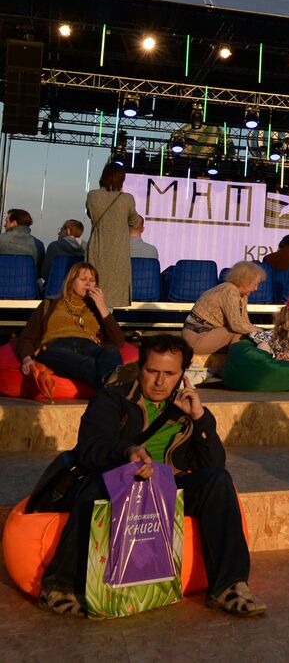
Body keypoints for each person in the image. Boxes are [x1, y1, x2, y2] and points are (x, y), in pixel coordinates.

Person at [37, 333, 265, 617]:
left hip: (165, 489)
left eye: (169, 373)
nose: (160, 381)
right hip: (118, 484)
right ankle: (59, 586)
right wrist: (127, 452)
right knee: (99, 483)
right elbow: (90, 448)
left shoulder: (187, 410)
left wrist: (199, 418)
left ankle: (228, 587)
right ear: (140, 368)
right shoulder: (113, 399)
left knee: (218, 480)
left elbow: (213, 463)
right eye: (152, 371)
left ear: (182, 375)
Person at [15, 261, 125, 401]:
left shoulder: (97, 308)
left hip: (88, 346)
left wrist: (103, 307)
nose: (88, 284)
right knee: (90, 364)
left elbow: (118, 342)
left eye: (92, 280)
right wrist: (27, 359)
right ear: (70, 281)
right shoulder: (50, 304)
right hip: (54, 347)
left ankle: (111, 394)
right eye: (83, 279)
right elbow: (26, 338)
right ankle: (118, 391)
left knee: (111, 351)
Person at [85, 164, 141, 308]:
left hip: (97, 249)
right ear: (122, 179)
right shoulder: (127, 199)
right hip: (118, 252)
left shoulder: (92, 196)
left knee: (94, 289)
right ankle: (106, 324)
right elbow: (135, 222)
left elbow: (90, 214)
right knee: (111, 296)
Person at [181, 261, 267, 356]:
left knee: (245, 335)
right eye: (255, 284)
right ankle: (234, 366)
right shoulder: (229, 290)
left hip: (209, 334)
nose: (256, 289)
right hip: (195, 338)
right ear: (245, 280)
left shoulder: (242, 295)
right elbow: (237, 325)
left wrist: (259, 332)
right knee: (238, 333)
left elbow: (244, 322)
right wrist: (262, 333)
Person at [40, 219, 85, 284]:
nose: (59, 233)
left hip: (55, 289)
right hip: (75, 289)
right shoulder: (87, 249)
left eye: (61, 230)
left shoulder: (54, 246)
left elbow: (44, 274)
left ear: (68, 231)